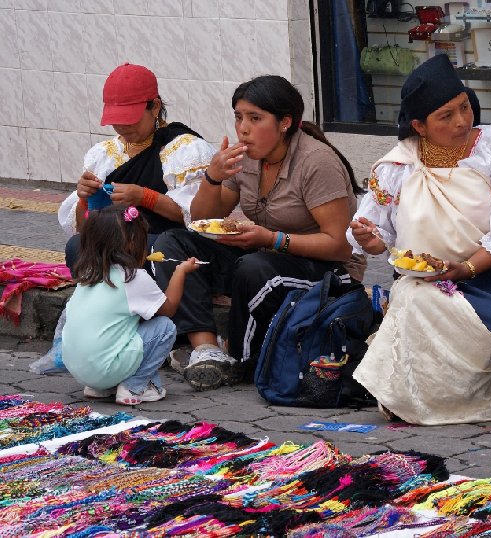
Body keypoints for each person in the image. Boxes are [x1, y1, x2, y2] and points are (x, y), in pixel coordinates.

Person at [348, 54, 491, 426]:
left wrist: (465, 268)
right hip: (424, 283)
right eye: (446, 116)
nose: (462, 121)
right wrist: (369, 239)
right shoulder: (397, 167)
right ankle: (418, 401)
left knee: (486, 317)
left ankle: (440, 401)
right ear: (420, 126)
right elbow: (381, 239)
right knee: (413, 298)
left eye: (464, 108)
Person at [154, 75, 366, 392]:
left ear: (284, 122)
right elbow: (201, 218)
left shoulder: (316, 161)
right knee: (172, 244)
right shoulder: (245, 158)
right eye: (239, 117)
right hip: (265, 255)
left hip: (327, 272)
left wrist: (272, 239)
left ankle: (241, 359)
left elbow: (339, 246)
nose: (243, 128)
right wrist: (212, 177)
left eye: (255, 118)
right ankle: (207, 350)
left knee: (254, 268)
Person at [57, 63, 215, 275]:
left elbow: (199, 215)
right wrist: (85, 199)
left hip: (168, 242)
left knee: (146, 248)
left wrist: (144, 197)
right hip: (117, 239)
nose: (122, 127)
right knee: (77, 246)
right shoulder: (102, 155)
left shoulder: (186, 150)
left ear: (155, 106)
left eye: (130, 119)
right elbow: (85, 228)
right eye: (116, 121)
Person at [61, 205, 199, 406]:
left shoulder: (88, 274)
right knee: (164, 328)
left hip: (79, 370)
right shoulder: (132, 278)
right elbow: (168, 309)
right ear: (132, 243)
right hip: (105, 368)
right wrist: (180, 272)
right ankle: (134, 386)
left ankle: (99, 388)